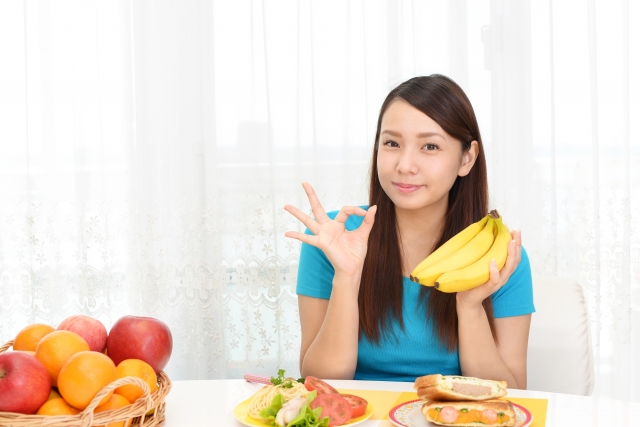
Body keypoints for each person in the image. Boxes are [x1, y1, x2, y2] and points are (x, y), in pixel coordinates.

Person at [284, 75, 535, 388]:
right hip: (361, 412)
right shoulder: (333, 237)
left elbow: (510, 393)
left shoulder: (499, 256)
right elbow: (320, 383)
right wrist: (346, 278)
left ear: (467, 158)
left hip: (450, 413)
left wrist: (470, 308)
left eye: (430, 146)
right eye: (392, 143)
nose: (404, 165)